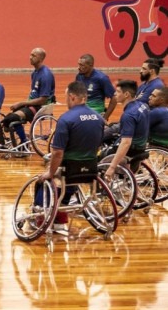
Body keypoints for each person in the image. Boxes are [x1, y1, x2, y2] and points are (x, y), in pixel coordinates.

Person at [38, 81, 105, 230]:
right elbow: (98, 146)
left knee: (43, 180)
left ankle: (42, 218)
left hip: (69, 170)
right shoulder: (99, 118)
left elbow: (57, 152)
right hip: (91, 169)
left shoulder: (66, 119)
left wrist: (50, 172)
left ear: (73, 97)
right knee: (69, 180)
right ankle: (60, 218)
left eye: (66, 97)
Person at [0, 47, 55, 147]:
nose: (30, 57)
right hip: (32, 105)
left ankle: (24, 142)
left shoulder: (46, 75)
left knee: (12, 118)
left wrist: (22, 103)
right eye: (30, 55)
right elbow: (33, 94)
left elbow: (43, 99)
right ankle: (16, 138)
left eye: (33, 55)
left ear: (41, 58)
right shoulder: (34, 73)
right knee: (6, 118)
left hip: (41, 107)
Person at [103, 80, 150, 180]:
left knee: (100, 156)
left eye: (118, 91)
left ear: (126, 94)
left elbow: (126, 143)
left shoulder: (128, 115)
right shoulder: (143, 106)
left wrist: (112, 167)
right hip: (141, 147)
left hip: (131, 149)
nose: (114, 93)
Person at [75, 54, 117, 121]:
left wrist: (105, 117)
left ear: (91, 65)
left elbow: (114, 98)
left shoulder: (102, 78)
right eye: (79, 64)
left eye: (82, 65)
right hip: (81, 114)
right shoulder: (79, 76)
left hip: (96, 115)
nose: (78, 67)